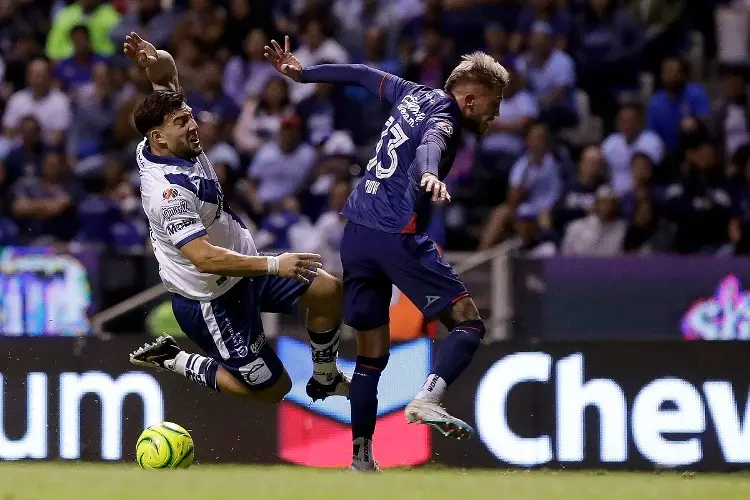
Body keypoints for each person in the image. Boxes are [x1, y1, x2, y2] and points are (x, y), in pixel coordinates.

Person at [264, 36, 508, 471]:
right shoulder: (446, 114)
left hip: (356, 231)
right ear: (470, 98)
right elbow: (433, 143)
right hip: (395, 233)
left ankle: (361, 459)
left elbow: (358, 74)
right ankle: (428, 398)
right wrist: (431, 173)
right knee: (468, 322)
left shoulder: (412, 92)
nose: (497, 112)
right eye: (494, 101)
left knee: (371, 354)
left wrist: (304, 73)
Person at [123, 33, 349, 406]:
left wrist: (155, 56)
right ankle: (177, 359)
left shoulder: (167, 139)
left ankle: (326, 377)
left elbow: (165, 74)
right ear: (159, 138)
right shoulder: (167, 193)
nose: (194, 126)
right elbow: (203, 257)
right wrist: (276, 265)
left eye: (190, 116)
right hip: (211, 300)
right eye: (183, 122)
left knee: (328, 291)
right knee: (275, 389)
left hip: (246, 270)